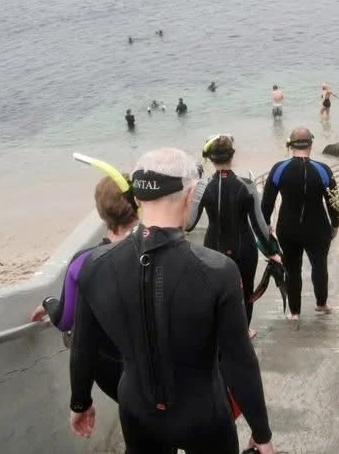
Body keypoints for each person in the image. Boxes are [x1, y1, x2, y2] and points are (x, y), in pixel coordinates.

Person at [68, 147, 275, 454]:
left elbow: (83, 343)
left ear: (137, 198)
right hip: (204, 414)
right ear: (191, 195)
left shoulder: (95, 266)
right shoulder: (217, 271)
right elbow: (239, 362)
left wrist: (80, 402)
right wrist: (261, 432)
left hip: (137, 412)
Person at [30, 174, 138, 400]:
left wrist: (48, 303)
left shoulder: (84, 262)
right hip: (158, 368)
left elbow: (65, 320)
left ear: (101, 212)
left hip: (111, 371)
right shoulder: (161, 250)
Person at [185, 134, 281, 338]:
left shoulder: (203, 188)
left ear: (210, 159)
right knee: (245, 291)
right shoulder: (247, 185)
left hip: (213, 247)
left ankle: (220, 331)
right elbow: (259, 225)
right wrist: (272, 251)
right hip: (244, 248)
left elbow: (189, 224)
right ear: (233, 155)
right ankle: (244, 330)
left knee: (216, 292)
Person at [261, 128, 339, 321]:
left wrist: (266, 225)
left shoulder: (279, 169)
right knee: (319, 265)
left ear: (290, 145)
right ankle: (321, 304)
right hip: (318, 227)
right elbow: (334, 202)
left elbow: (267, 202)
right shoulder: (323, 170)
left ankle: (294, 312)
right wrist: (335, 224)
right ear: (311, 145)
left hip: (288, 228)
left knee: (292, 269)